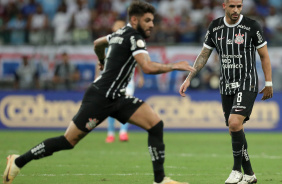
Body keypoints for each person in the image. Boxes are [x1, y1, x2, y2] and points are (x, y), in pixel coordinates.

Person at [3, 1, 195, 184]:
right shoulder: (134, 38)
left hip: (118, 97)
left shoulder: (119, 33)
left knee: (155, 124)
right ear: (134, 20)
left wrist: (101, 59)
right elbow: (147, 67)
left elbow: (97, 43)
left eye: (153, 20)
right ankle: (18, 162)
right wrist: (174, 65)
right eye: (147, 20)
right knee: (68, 141)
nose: (152, 24)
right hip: (100, 97)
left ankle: (160, 179)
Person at [179, 0, 273, 184]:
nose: (236, 10)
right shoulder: (215, 27)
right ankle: (250, 174)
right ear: (224, 6)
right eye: (232, 6)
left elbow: (264, 55)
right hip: (226, 84)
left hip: (247, 82)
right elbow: (204, 55)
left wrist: (268, 82)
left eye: (239, 6)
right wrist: (189, 77)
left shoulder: (252, 26)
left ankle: (236, 170)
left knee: (234, 122)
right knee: (234, 129)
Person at [95, 19, 144, 143]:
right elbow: (100, 61)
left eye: (121, 26)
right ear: (112, 28)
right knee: (111, 106)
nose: (118, 28)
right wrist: (97, 77)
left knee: (125, 105)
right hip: (111, 80)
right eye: (116, 26)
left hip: (128, 80)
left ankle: (123, 132)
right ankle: (110, 133)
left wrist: (141, 77)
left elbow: (137, 60)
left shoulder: (130, 42)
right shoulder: (109, 43)